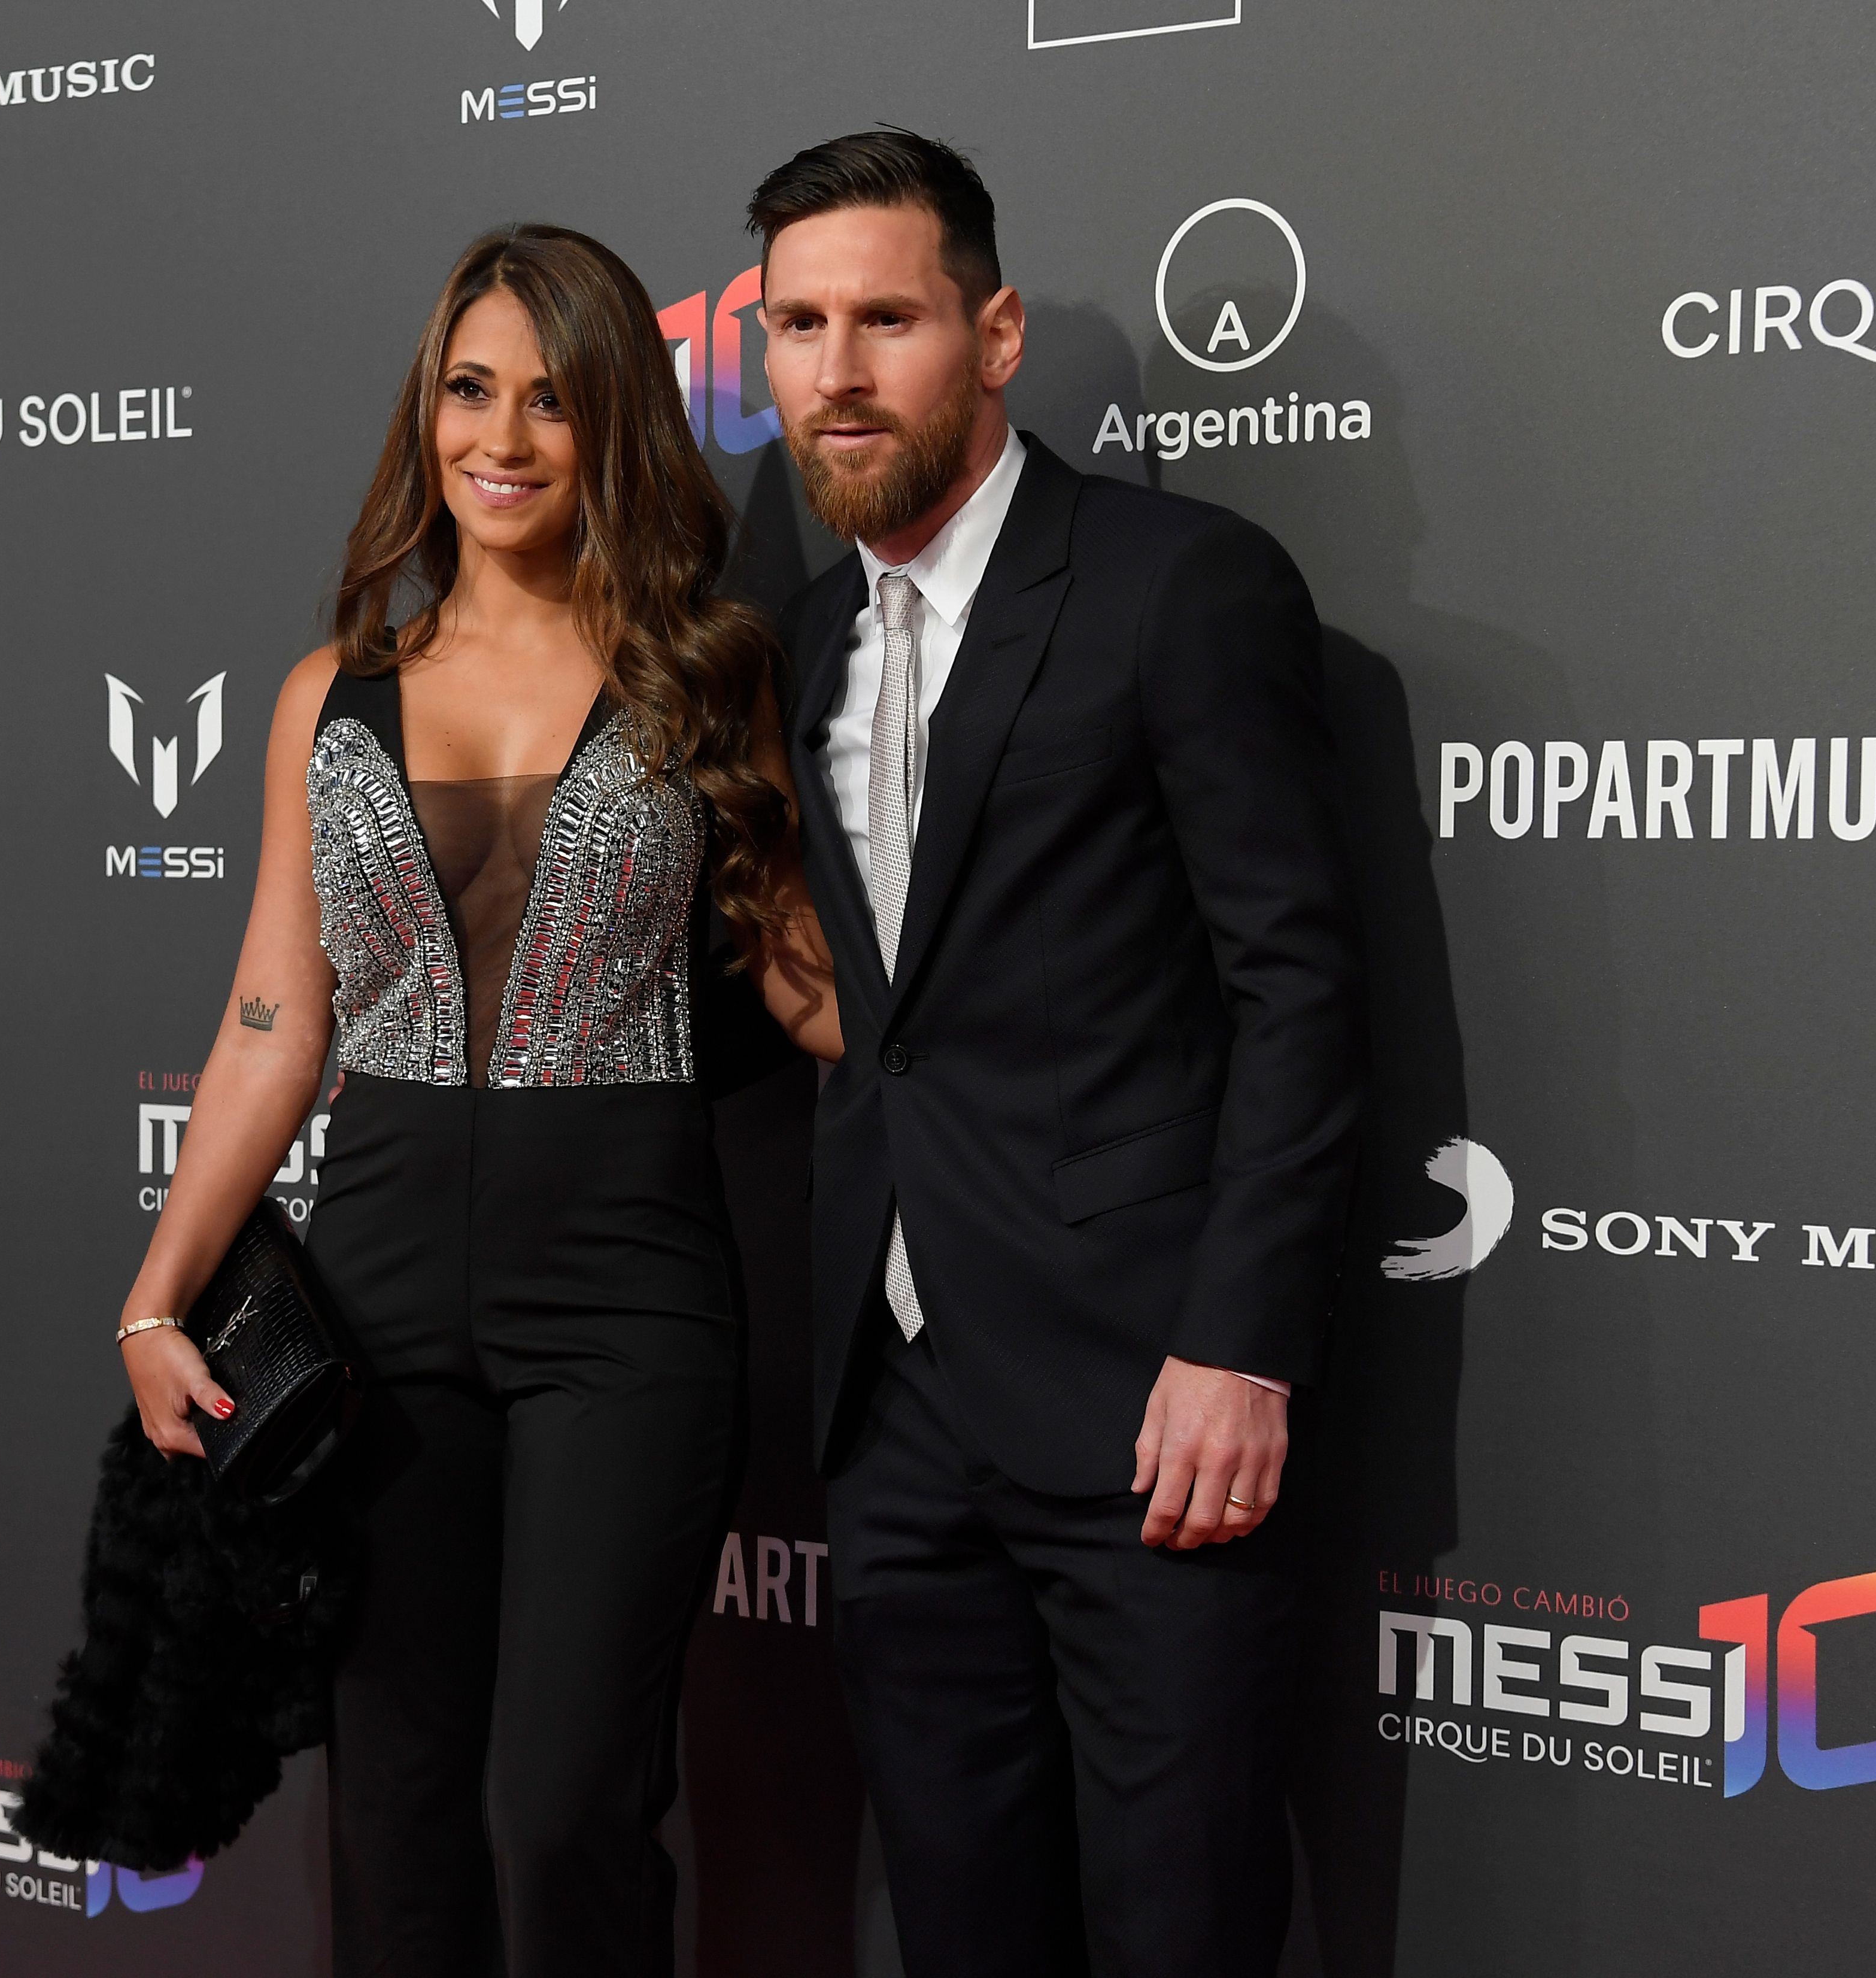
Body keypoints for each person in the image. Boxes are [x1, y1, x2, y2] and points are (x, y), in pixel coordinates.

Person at [110, 223, 838, 1977]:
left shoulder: (713, 672)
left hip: (630, 1302)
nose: (500, 438)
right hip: (375, 1302)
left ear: (617, 429)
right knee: (398, 1807)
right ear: (423, 413)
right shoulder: (326, 696)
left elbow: (824, 997)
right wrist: (154, 1297)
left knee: (561, 1807)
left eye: (552, 401)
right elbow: (276, 1024)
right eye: (468, 389)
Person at [748, 132, 1364, 1973]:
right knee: (958, 1924)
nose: (837, 372)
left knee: (1179, 1926)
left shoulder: (1179, 584)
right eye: (795, 325)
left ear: (993, 334)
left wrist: (1237, 1346)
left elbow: (1298, 993)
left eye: (886, 318)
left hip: (1146, 1406)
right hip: (897, 1410)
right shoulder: (797, 647)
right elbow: (878, 1013)